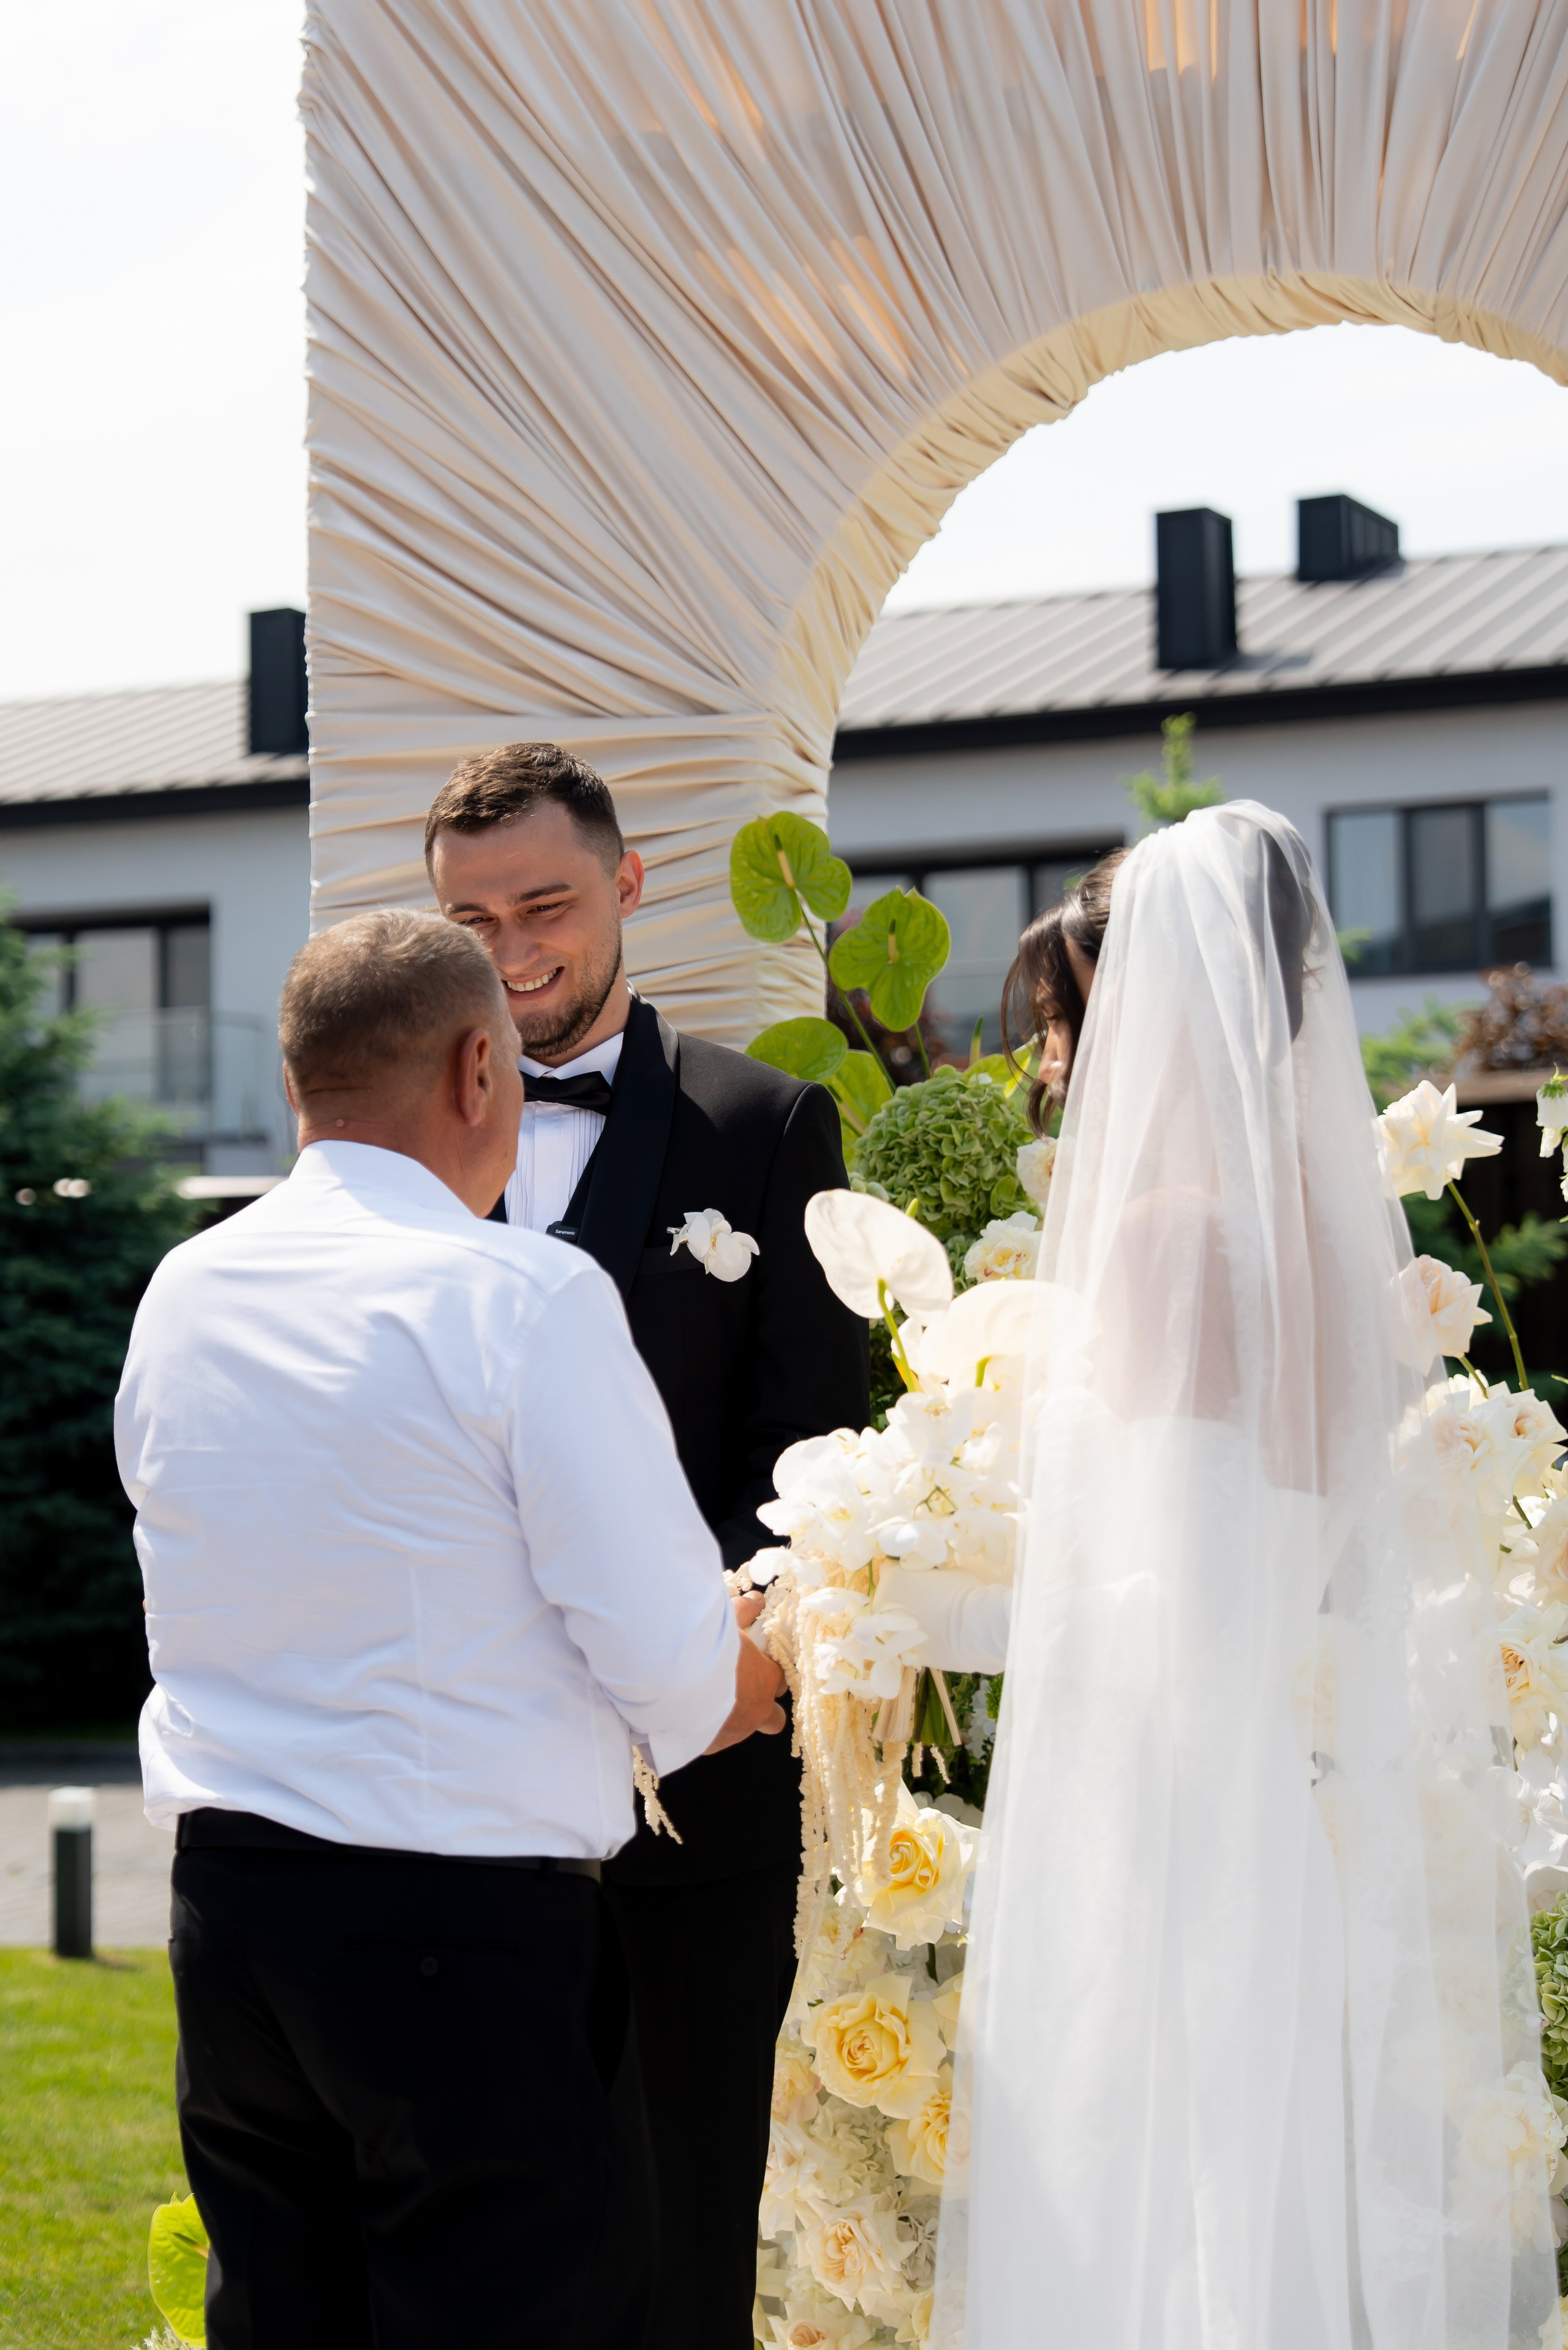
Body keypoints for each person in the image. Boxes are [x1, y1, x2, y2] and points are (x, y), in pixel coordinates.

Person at [894, 808, 1558, 2348]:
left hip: (1154, 1820)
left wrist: (904, 1602)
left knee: (1152, 2222)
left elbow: (1163, 1611)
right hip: (1258, 1809)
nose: (1051, 1067)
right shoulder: (1323, 1235)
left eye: (1062, 1026)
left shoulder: (1169, 1237)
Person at [117, 909, 785, 2350]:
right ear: (481, 1066)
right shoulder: (522, 1294)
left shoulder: (184, 1287)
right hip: (454, 1928)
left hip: (231, 1910)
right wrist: (766, 1654)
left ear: (303, 1083)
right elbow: (666, 1657)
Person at [424, 742, 868, 2350]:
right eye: (469, 913)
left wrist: (688, 1673)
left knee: (683, 2239)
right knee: (478, 2237)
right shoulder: (395, 1144)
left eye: (544, 900)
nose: (509, 946)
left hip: (700, 1790)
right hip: (454, 1793)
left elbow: (812, 1458)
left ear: (625, 883)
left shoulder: (766, 1122)